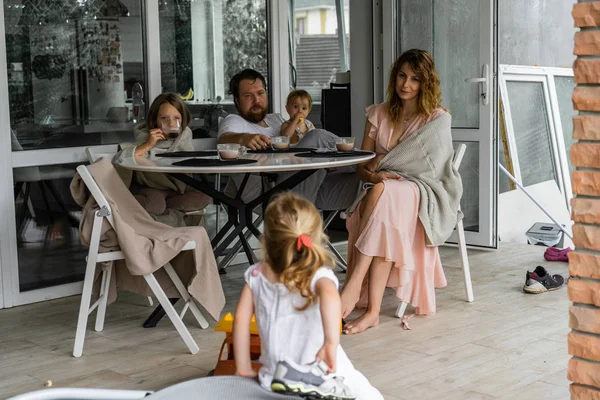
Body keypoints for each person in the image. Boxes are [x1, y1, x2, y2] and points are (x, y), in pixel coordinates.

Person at [341, 49, 463, 335]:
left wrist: (380, 172)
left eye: (415, 79)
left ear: (426, 83)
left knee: (383, 194)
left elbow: (436, 172)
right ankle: (372, 312)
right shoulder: (378, 113)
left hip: (422, 191)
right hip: (385, 192)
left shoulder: (436, 118)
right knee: (383, 197)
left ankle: (354, 284)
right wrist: (374, 174)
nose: (405, 84)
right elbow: (362, 166)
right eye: (401, 76)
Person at [232, 192, 383, 400]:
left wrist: (243, 367)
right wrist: (330, 343)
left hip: (273, 376)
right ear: (313, 237)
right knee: (367, 394)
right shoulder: (318, 276)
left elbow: (240, 321)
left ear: (267, 239)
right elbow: (330, 297)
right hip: (321, 374)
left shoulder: (257, 275)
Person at [217, 69, 359, 211]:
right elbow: (223, 140)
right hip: (269, 194)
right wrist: (243, 138)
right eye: (248, 95)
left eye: (260, 93)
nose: (257, 100)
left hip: (307, 185)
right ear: (237, 100)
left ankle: (369, 169)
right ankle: (367, 162)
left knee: (367, 183)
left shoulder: (276, 119)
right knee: (317, 137)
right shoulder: (235, 121)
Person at [117, 93, 211, 224]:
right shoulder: (145, 136)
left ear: (183, 120)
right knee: (156, 204)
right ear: (155, 120)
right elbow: (124, 158)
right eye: (164, 118)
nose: (171, 124)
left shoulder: (184, 136)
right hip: (148, 186)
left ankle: (162, 220)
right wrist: (148, 145)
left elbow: (187, 160)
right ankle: (123, 212)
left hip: (174, 187)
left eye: (176, 118)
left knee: (205, 195)